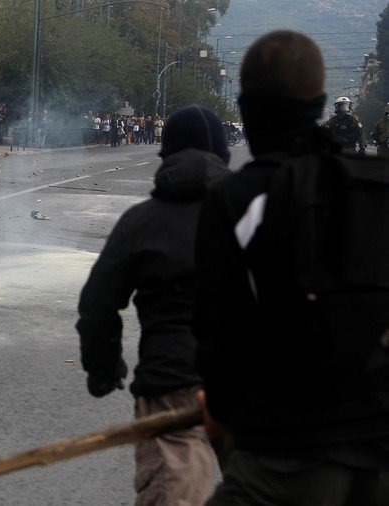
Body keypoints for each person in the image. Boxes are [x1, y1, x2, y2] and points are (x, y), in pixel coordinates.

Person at [193, 30, 389, 505]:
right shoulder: (377, 188)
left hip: (288, 454)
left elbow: (218, 335)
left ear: (246, 108)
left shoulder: (237, 198)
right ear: (322, 103)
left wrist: (219, 410)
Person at [77, 105, 230, 506]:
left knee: (173, 493)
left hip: (172, 383)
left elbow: (98, 303)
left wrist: (103, 366)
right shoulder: (254, 213)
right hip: (249, 383)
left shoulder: (142, 221)